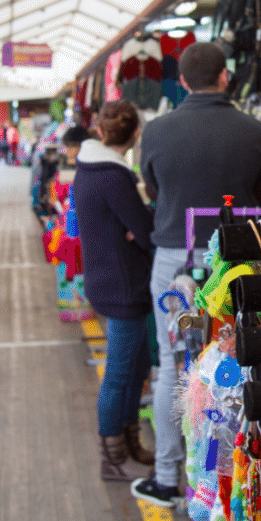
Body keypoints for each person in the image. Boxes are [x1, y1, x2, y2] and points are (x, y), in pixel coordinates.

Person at [135, 42, 261, 507]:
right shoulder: (254, 129)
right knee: (239, 364)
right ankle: (235, 484)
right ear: (226, 77)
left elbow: (153, 189)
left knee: (175, 366)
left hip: (177, 260)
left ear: (182, 79)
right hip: (235, 264)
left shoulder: (155, 131)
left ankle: (168, 476)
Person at [72, 101, 156, 481]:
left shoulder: (88, 168)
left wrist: (133, 228)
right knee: (121, 374)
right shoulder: (114, 176)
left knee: (133, 368)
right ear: (135, 135)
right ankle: (111, 456)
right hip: (125, 286)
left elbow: (130, 227)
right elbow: (142, 229)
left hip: (107, 281)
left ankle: (129, 440)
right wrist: (141, 225)